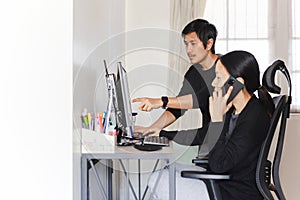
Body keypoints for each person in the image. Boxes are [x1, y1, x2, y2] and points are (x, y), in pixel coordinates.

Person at [148, 50, 274, 200]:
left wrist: (216, 120)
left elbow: (219, 165)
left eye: (219, 78)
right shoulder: (234, 110)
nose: (214, 83)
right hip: (222, 181)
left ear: (237, 82)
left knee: (158, 180)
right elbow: (203, 134)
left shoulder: (254, 118)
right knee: (166, 172)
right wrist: (162, 133)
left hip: (232, 192)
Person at [132, 19, 219, 144]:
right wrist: (152, 129)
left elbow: (202, 97)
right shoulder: (194, 72)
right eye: (186, 44)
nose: (188, 50)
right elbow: (178, 107)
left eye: (193, 43)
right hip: (209, 144)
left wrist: (161, 101)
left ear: (209, 44)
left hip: (224, 143)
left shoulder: (224, 70)